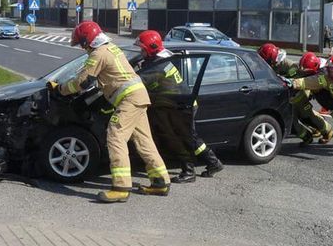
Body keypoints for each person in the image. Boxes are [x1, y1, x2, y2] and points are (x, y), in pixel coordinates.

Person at [51, 21, 171, 203]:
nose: (82, 47)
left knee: (115, 137)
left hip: (129, 99)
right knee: (143, 140)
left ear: (87, 40)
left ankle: (121, 187)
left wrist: (59, 89)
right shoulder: (111, 48)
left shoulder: (98, 54)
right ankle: (161, 181)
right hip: (138, 96)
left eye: (82, 43)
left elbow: (81, 82)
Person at [135, 30, 223, 183]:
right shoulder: (162, 60)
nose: (141, 51)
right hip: (184, 103)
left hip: (179, 106)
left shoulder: (156, 67)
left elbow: (136, 83)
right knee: (191, 137)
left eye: (142, 49)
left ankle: (189, 172)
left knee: (180, 138)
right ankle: (214, 163)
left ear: (150, 49)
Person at [258, 43, 333, 146]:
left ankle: (328, 132)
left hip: (297, 95)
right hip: (287, 96)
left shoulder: (287, 65)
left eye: (265, 60)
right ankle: (308, 137)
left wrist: (304, 87)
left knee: (308, 116)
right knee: (293, 120)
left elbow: (305, 76)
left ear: (270, 59)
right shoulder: (271, 65)